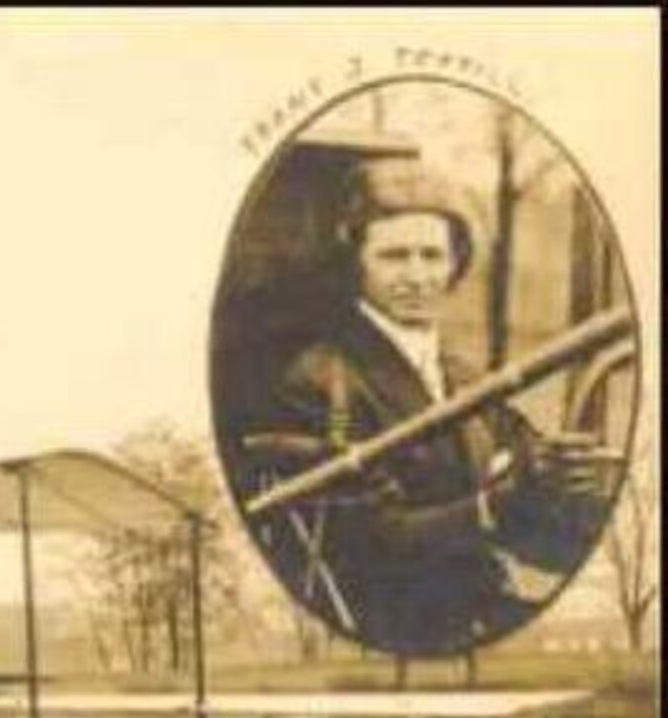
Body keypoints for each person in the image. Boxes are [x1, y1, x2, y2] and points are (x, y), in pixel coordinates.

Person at [241, 155, 611, 654]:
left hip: (481, 611)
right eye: (395, 256)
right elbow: (368, 544)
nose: (417, 277)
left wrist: (561, 483)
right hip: (392, 628)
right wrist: (497, 501)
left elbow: (535, 501)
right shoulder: (320, 380)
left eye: (432, 256)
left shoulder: (465, 378)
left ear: (456, 262)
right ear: (356, 263)